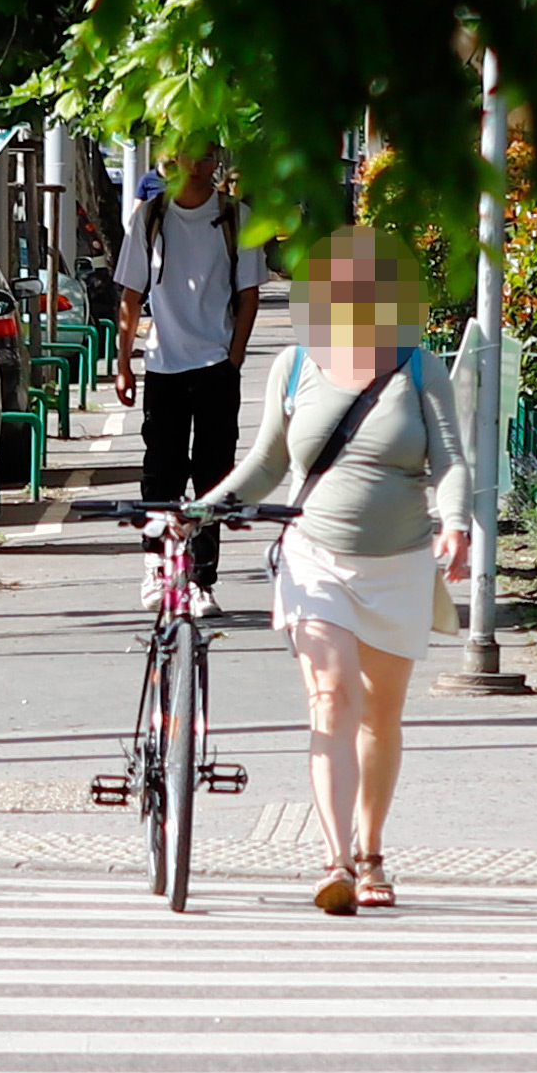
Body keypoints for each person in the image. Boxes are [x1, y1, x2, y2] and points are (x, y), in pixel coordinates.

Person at [193, 224, 464, 915]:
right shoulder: (292, 366)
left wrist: (457, 521)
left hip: (398, 562)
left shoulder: (418, 366)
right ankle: (335, 858)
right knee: (331, 697)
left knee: (380, 714)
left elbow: (452, 460)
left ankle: (372, 850)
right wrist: (201, 510)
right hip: (313, 558)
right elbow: (265, 464)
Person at [113, 144, 264, 614]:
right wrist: (124, 363)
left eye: (207, 155)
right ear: (171, 160)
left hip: (216, 365)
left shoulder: (237, 217)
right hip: (164, 365)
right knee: (161, 472)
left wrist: (233, 358)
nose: (199, 165)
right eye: (188, 155)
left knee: (213, 475)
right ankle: (159, 568)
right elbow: (131, 295)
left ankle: (200, 578)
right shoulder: (151, 217)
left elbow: (249, 295)